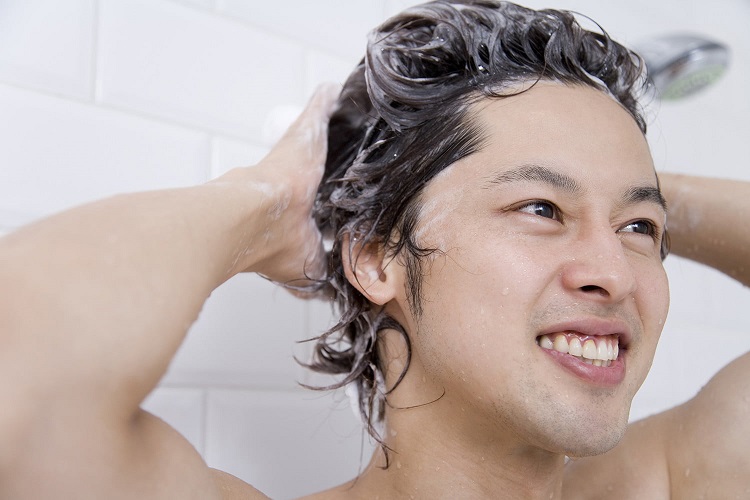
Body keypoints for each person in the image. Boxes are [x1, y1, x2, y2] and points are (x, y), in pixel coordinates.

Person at [0, 1, 747, 499]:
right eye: (541, 207)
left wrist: (625, 181)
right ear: (376, 258)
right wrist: (266, 206)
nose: (614, 273)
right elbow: (19, 389)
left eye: (640, 231)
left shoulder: (681, 479)